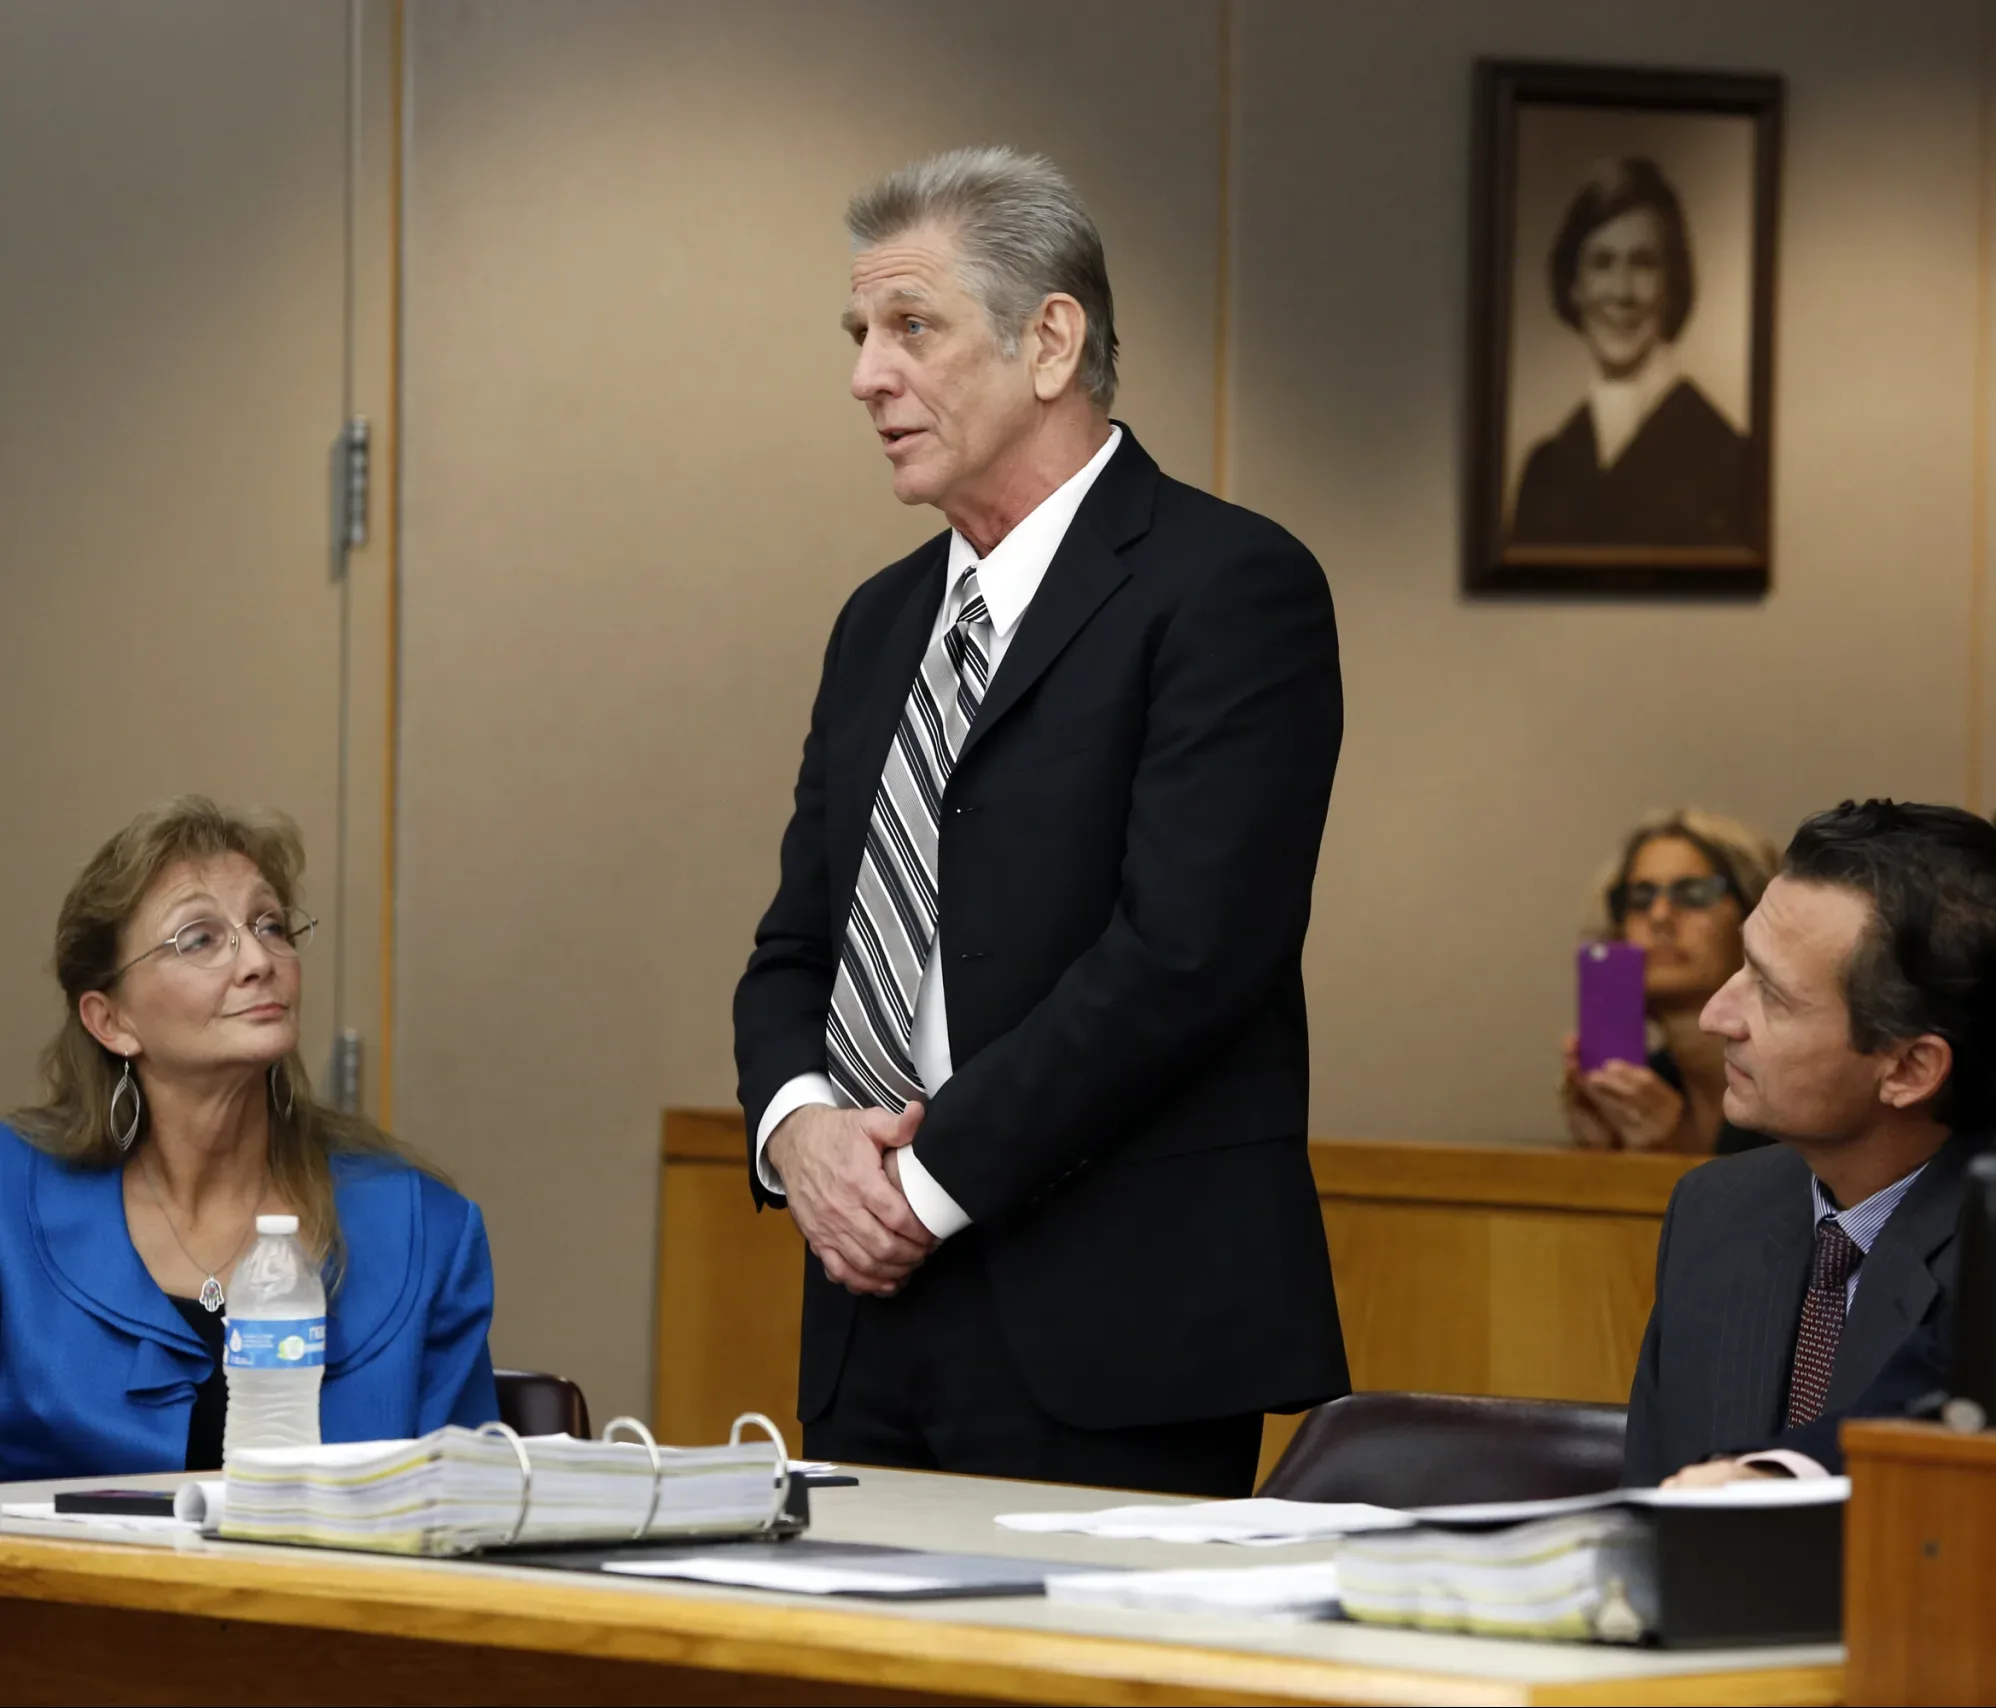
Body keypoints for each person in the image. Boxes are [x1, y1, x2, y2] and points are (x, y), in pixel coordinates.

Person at [732, 146, 1347, 1497]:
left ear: (1050, 340)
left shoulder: (1230, 587)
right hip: (869, 1313)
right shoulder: (879, 622)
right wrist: (801, 1137)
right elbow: (797, 950)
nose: (865, 377)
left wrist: (924, 1180)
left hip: (1114, 1321)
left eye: (910, 328)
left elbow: (1187, 953)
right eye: (857, 336)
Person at [0, 797, 498, 1479]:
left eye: (270, 925)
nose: (259, 959)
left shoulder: (422, 1231)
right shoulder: (10, 1205)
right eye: (199, 938)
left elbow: (469, 1514)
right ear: (111, 1019)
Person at [1622, 800, 1996, 1487]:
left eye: (1772, 993)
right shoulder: (1715, 1210)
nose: (1715, 1015)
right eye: (1742, 966)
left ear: (1909, 1069)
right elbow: (1651, 1516)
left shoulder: (1984, 1250)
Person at [1511, 157, 1749, 548]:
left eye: (1643, 264)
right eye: (1602, 264)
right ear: (1574, 286)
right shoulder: (1545, 471)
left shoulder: (1730, 460)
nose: (1622, 292)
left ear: (1673, 286)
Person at [1561, 808, 1779, 1154]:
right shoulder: (1649, 1085)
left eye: (1694, 894)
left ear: (1755, 915)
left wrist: (1670, 1157)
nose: (1659, 916)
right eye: (1640, 899)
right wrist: (1604, 1155)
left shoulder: (1796, 1090)